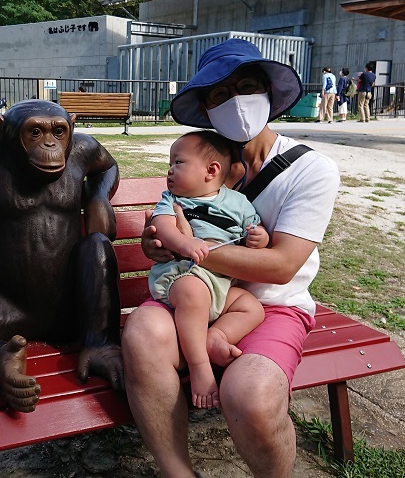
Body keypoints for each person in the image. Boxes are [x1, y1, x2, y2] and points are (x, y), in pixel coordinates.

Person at [122, 38, 339, 478]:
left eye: (246, 86)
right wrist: (158, 246)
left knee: (252, 397)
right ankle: (177, 472)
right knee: (142, 331)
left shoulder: (311, 169)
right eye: (219, 94)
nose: (235, 101)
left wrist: (196, 250)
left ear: (268, 93)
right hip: (191, 292)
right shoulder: (201, 162)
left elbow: (280, 267)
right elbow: (171, 225)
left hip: (269, 305)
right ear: (206, 106)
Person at [149, 130, 267, 409]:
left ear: (211, 170)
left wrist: (260, 238)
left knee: (252, 307)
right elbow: (164, 227)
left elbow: (254, 229)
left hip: (222, 285)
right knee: (194, 293)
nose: (169, 170)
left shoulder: (238, 203)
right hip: (183, 274)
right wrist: (185, 242)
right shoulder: (172, 200)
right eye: (170, 163)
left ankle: (218, 336)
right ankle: (200, 366)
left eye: (177, 162)